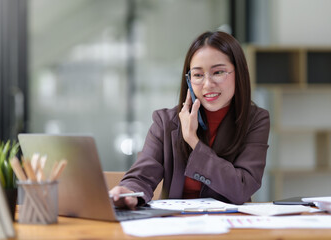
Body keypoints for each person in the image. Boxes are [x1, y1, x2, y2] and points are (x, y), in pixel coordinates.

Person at [109, 31, 270, 208]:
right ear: (189, 80)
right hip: (176, 225)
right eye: (198, 75)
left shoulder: (255, 120)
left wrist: (193, 141)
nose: (208, 84)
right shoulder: (166, 122)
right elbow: (142, 175)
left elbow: (242, 188)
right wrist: (129, 192)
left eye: (218, 72)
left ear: (239, 73)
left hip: (230, 225)